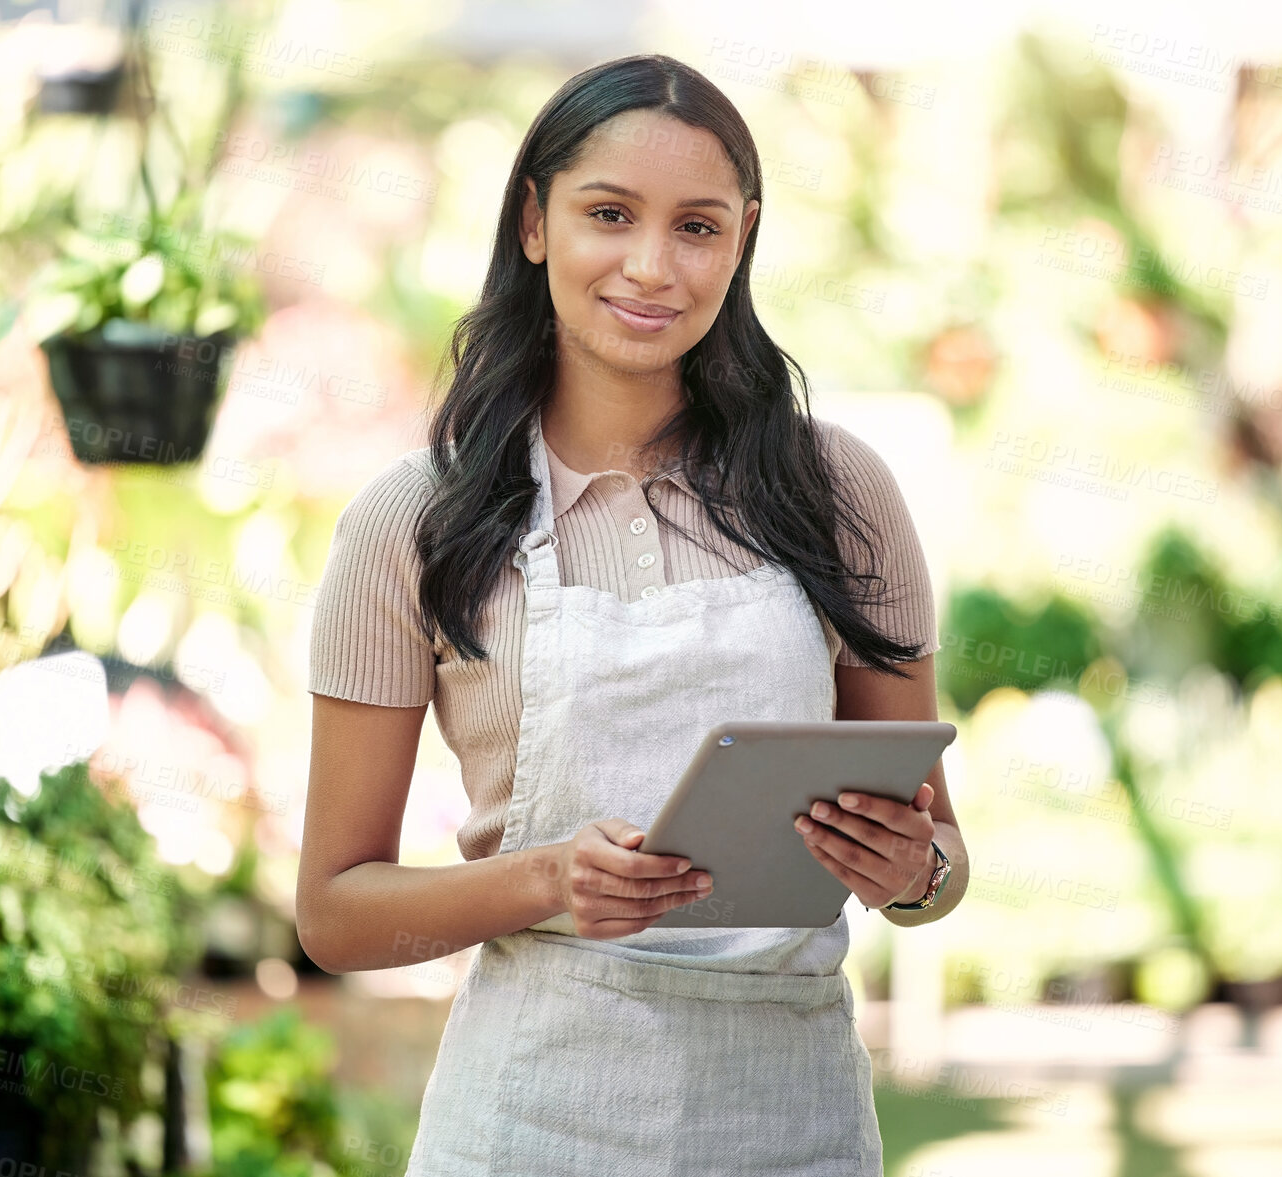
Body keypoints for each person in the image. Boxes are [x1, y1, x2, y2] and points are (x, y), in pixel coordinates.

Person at [297, 52, 968, 1177]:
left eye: (699, 227)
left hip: (790, 1125)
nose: (653, 267)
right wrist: (549, 879)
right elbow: (334, 913)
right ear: (534, 223)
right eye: (609, 214)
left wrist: (915, 871)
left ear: (744, 239)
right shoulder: (412, 522)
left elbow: (939, 859)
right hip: (530, 1121)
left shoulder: (839, 493)